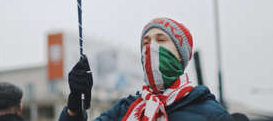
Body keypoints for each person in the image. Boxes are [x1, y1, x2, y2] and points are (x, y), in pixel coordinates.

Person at [59, 17, 233, 121]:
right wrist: (74, 108)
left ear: (181, 55)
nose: (152, 48)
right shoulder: (124, 110)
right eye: (146, 43)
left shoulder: (211, 114)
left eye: (161, 40)